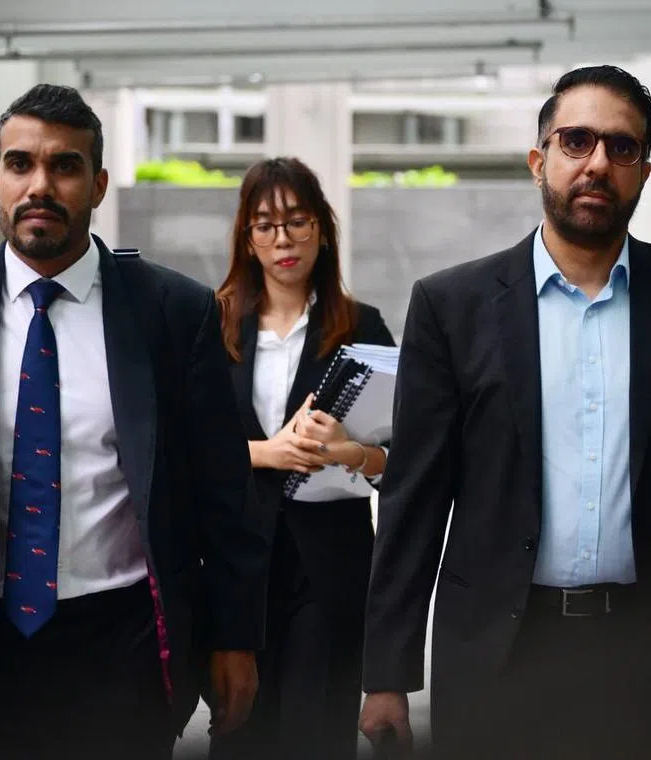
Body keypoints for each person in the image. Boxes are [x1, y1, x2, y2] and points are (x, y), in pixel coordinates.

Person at [357, 65, 651, 759]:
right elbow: (416, 498)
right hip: (500, 652)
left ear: (644, 171)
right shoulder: (450, 306)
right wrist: (387, 675)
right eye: (576, 141)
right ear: (539, 160)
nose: (598, 164)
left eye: (622, 147)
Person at [0, 84, 268, 760]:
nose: (40, 184)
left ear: (98, 185)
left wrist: (234, 637)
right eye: (20, 164)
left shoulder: (173, 313)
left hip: (122, 653)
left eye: (64, 166)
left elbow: (225, 495)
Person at [208, 157, 396, 760]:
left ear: (322, 228)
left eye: (296, 221)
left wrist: (352, 453)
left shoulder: (362, 327)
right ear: (247, 237)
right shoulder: (210, 324)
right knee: (240, 733)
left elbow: (404, 457)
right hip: (237, 565)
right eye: (264, 225)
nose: (282, 239)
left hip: (329, 563)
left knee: (316, 736)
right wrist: (268, 452)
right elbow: (182, 449)